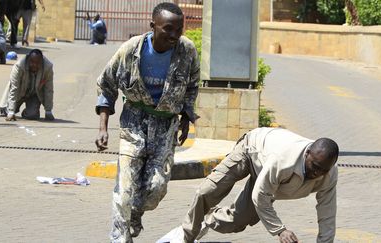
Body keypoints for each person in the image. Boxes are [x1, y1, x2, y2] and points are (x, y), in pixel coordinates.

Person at [94, 2, 199, 242]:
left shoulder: (187, 51)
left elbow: (192, 86)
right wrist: (103, 128)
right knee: (124, 191)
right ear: (153, 26)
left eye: (178, 30)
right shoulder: (131, 50)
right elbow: (106, 85)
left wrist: (186, 117)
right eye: (168, 29)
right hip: (134, 123)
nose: (174, 35)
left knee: (155, 189)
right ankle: (120, 237)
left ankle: (135, 213)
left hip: (165, 126)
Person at [160, 128, 339, 243]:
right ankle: (186, 235)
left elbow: (327, 214)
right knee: (208, 191)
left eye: (323, 170)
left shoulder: (329, 174)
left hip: (269, 176)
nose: (317, 173)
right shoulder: (283, 159)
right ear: (307, 153)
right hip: (251, 150)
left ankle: (206, 220)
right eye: (314, 166)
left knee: (237, 222)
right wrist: (280, 230)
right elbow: (260, 197)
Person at [0, 49, 55, 121]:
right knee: (6, 112)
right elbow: (14, 88)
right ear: (28, 60)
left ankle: (27, 112)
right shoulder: (19, 66)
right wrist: (11, 111)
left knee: (32, 115)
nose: (34, 65)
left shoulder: (48, 67)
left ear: (41, 62)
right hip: (19, 92)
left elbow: (49, 90)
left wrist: (48, 111)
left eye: (37, 63)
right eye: (32, 62)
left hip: (34, 94)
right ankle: (10, 109)